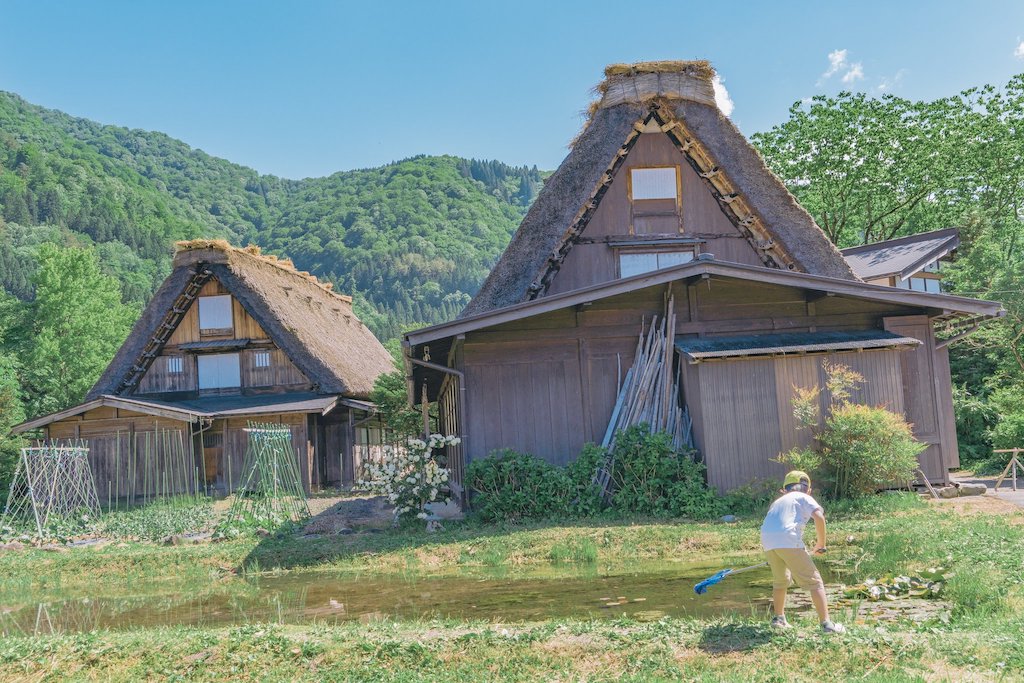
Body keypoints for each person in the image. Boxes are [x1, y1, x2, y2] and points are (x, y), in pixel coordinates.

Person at [760, 470, 845, 634]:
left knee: (780, 581)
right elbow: (819, 517)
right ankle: (827, 625)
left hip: (768, 540)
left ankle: (779, 619)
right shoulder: (804, 497)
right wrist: (821, 543)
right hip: (787, 539)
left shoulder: (778, 502)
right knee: (815, 582)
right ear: (809, 490)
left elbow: (779, 524)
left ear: (784, 490)